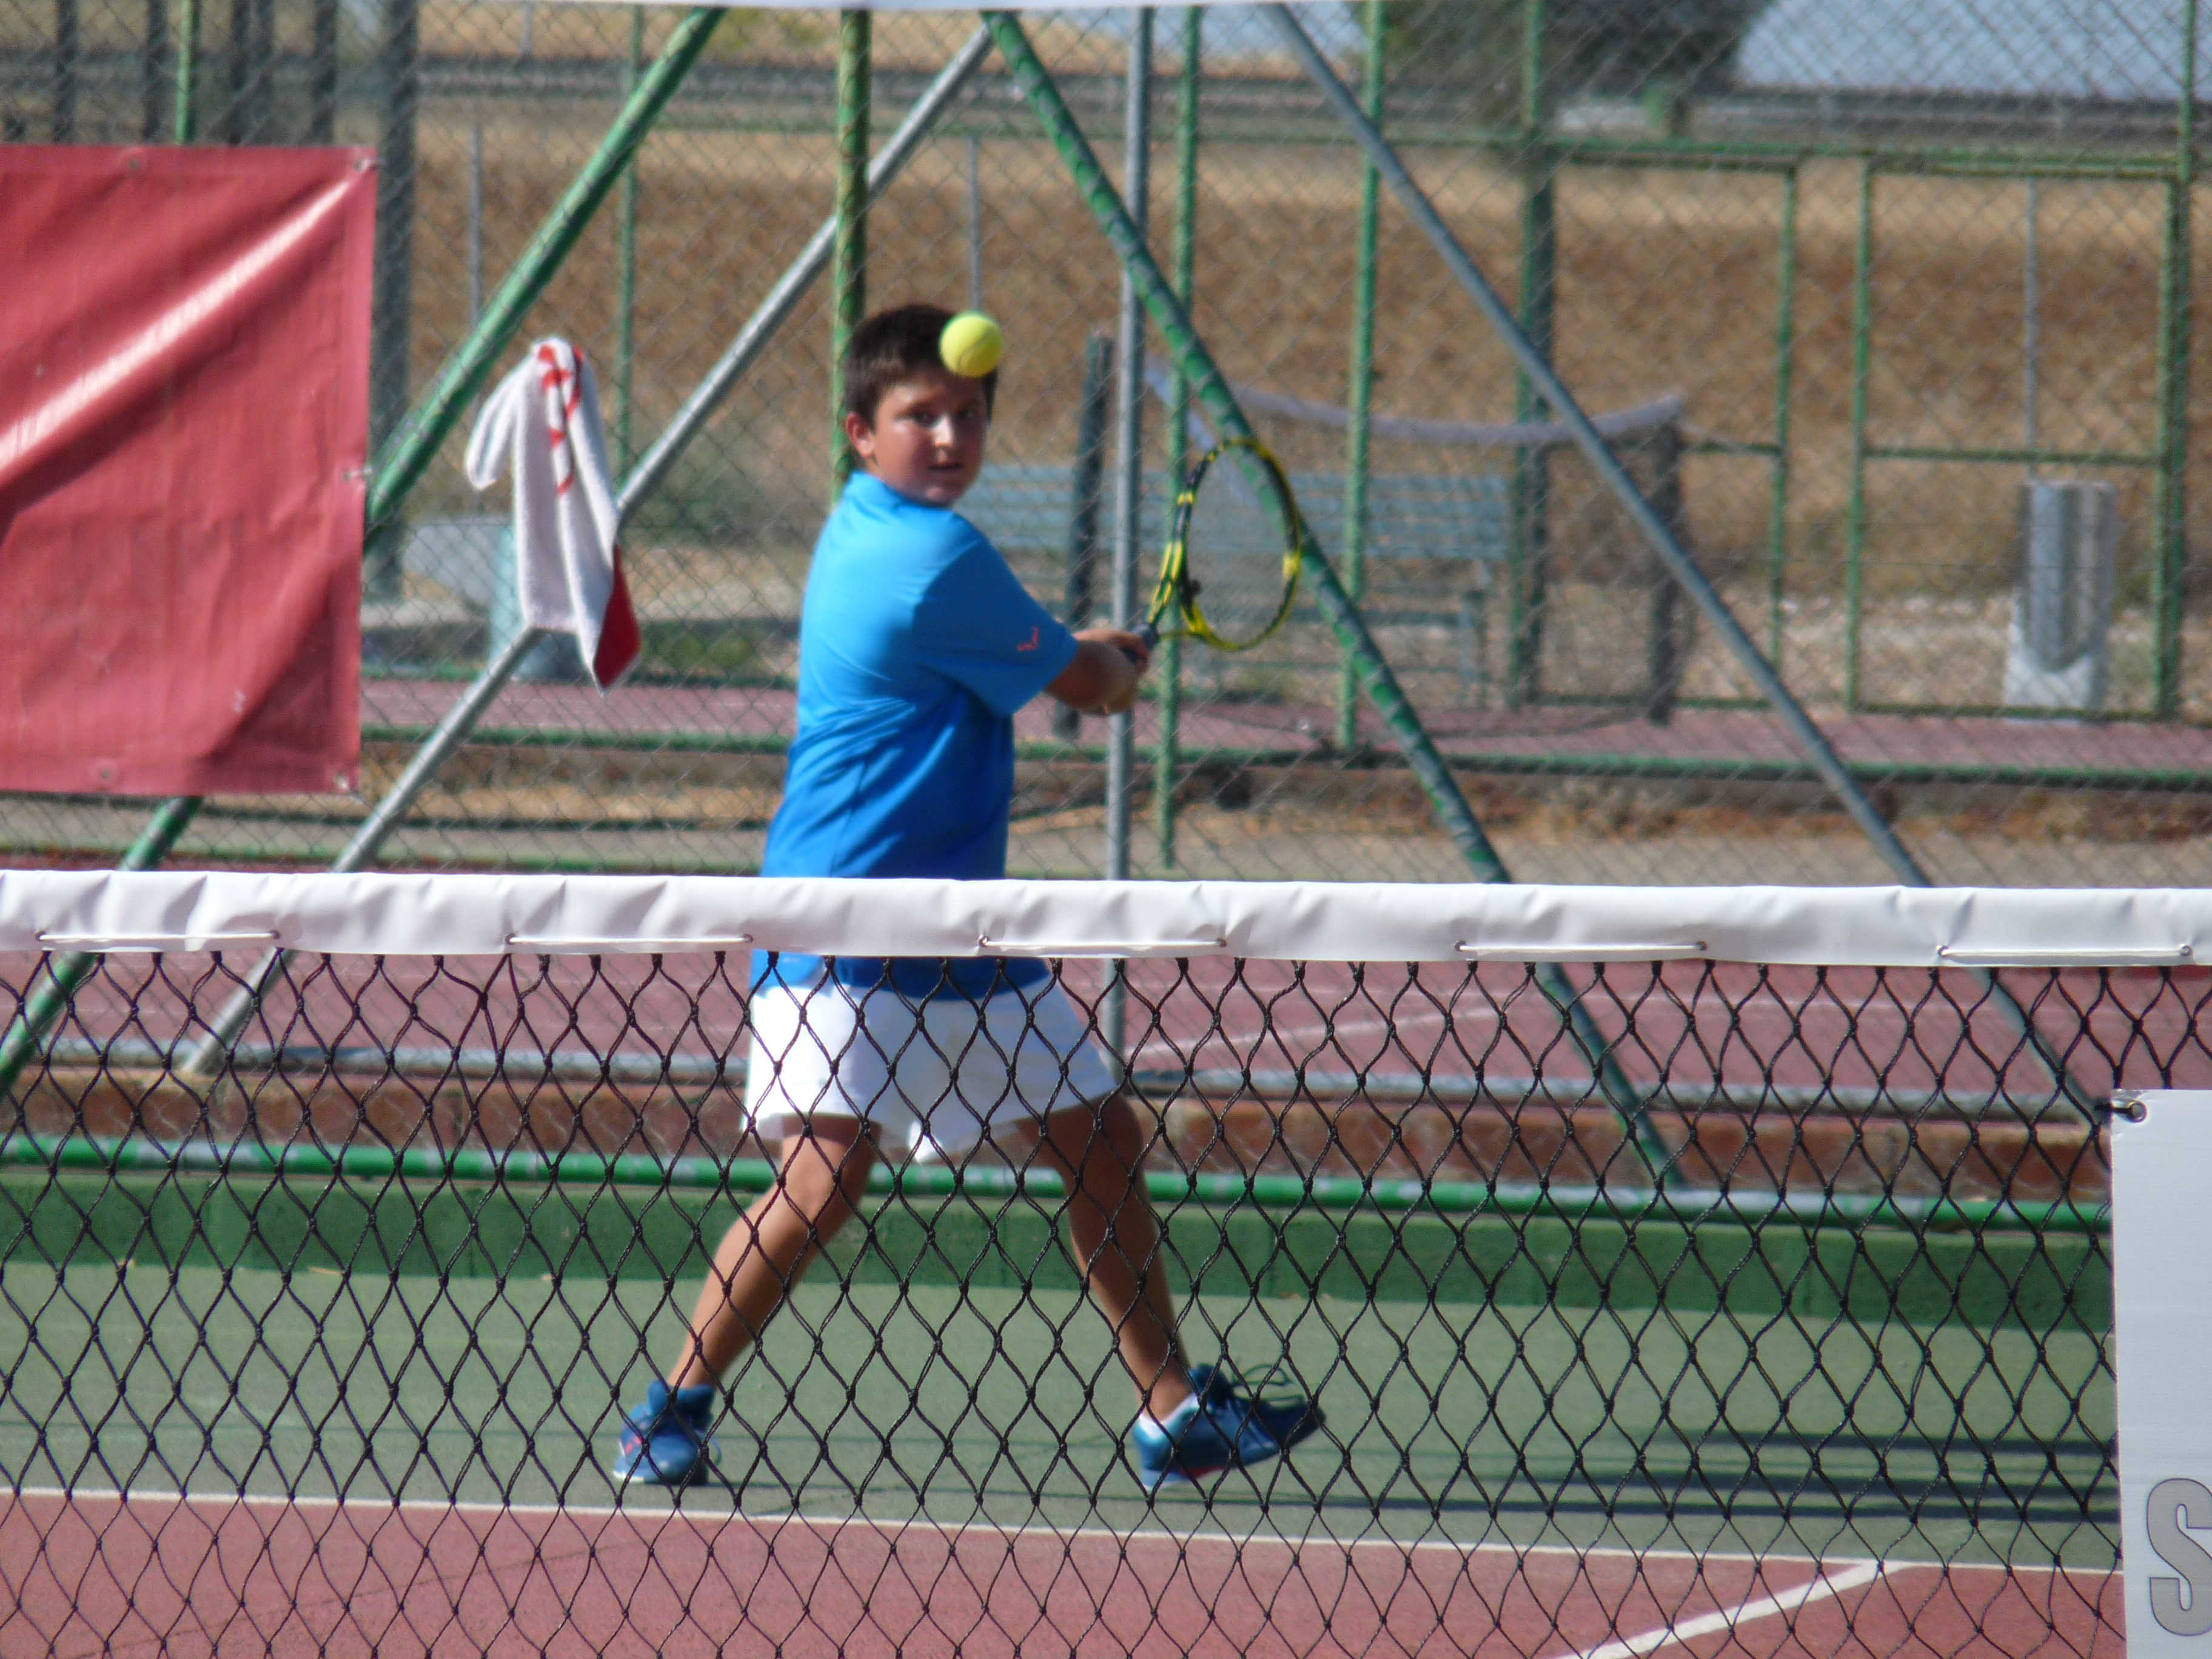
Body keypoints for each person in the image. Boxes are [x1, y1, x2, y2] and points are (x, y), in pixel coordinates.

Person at [612, 302, 1321, 1493]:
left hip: (956, 924)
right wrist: (1107, 668)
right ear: (861, 433)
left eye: (967, 415)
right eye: (918, 416)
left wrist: (1079, 655)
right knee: (823, 1179)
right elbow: (1086, 687)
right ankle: (669, 1408)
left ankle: (1172, 1413)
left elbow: (1016, 658)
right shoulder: (934, 555)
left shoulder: (867, 527)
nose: (948, 436)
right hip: (843, 913)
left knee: (1099, 1137)